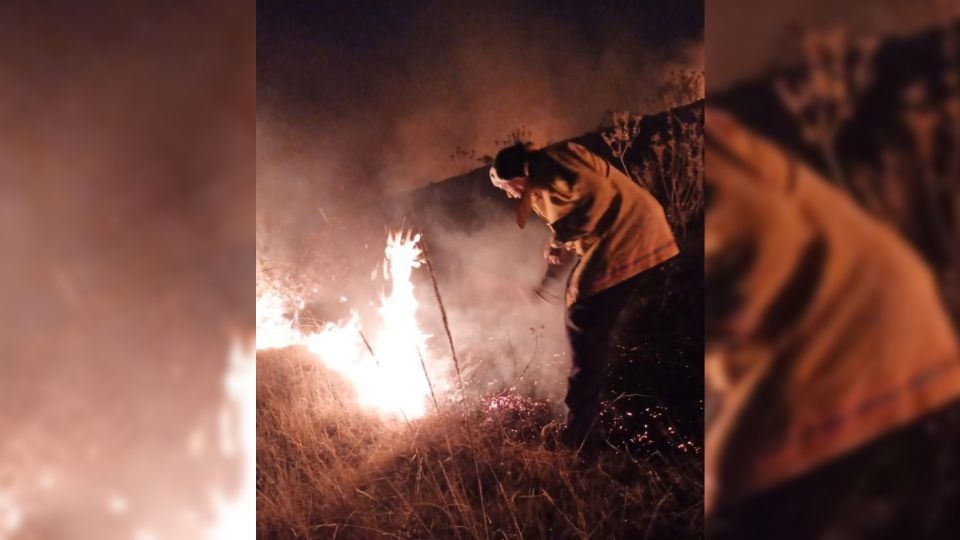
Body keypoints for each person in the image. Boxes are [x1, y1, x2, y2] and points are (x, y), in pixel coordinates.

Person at [704, 108, 960, 538]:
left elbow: (767, 237)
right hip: (894, 331)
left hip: (861, 337)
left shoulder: (706, 147)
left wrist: (714, 326)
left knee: (743, 491)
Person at [490, 140, 679, 452]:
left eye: (507, 188)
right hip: (625, 236)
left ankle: (581, 435)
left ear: (517, 177)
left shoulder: (553, 161)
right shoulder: (543, 176)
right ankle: (586, 416)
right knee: (582, 309)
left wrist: (560, 240)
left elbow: (595, 199)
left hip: (628, 235)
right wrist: (549, 275)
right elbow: (573, 222)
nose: (509, 195)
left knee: (583, 316)